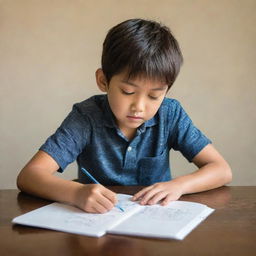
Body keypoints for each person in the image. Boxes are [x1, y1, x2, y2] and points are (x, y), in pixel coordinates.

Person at [17, 18, 232, 214]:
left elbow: (221, 170)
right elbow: (29, 176)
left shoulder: (170, 114)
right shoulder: (86, 117)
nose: (139, 107)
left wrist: (179, 185)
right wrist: (75, 193)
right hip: (95, 223)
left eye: (154, 96)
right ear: (103, 80)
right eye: (128, 92)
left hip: (154, 221)